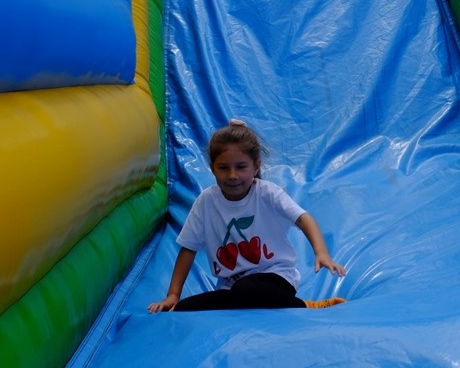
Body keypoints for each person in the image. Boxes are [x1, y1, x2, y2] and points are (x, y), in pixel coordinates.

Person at [148, 119, 346, 312]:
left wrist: (321, 252)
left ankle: (304, 305)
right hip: (231, 288)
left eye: (241, 167)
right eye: (223, 168)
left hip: (276, 278)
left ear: (256, 166)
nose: (232, 175)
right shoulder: (206, 201)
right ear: (212, 168)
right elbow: (188, 248)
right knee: (183, 308)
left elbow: (303, 218)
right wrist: (173, 294)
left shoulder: (267, 193)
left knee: (246, 289)